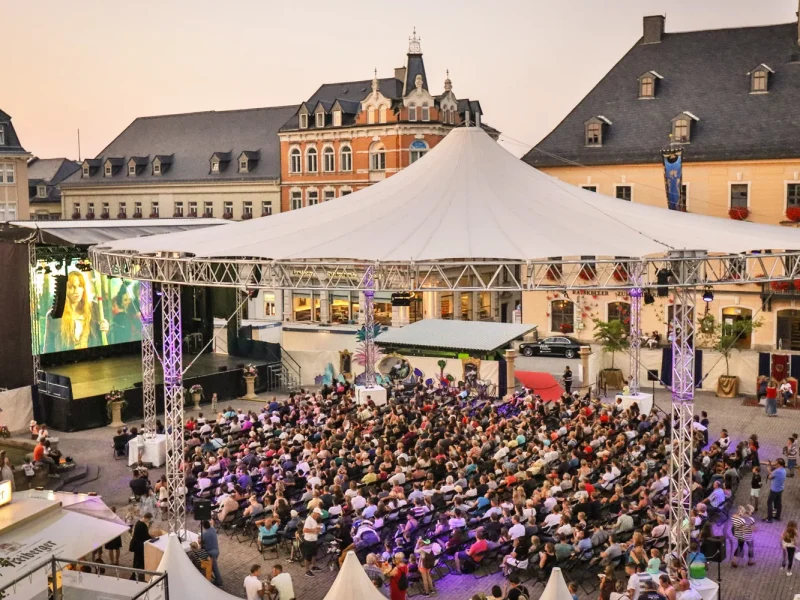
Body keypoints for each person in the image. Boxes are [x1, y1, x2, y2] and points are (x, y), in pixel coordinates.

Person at [43, 270, 109, 352]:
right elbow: (48, 346)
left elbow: (101, 340)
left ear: (83, 288)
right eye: (72, 287)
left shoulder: (95, 308)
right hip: (67, 362)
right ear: (65, 290)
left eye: (80, 286)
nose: (76, 291)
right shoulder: (54, 315)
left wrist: (105, 329)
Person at [128, 512, 152, 580]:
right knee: (139, 561)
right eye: (149, 519)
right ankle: (137, 575)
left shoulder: (139, 522)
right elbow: (145, 536)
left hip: (136, 544)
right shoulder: (143, 525)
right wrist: (152, 538)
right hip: (139, 546)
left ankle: (135, 575)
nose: (148, 521)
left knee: (136, 560)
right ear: (147, 518)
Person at [201, 520, 223, 587]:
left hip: (211, 554)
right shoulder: (213, 529)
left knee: (215, 568)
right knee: (213, 567)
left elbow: (201, 543)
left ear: (203, 526)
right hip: (216, 551)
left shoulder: (204, 534)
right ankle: (216, 580)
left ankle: (219, 582)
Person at [302, 508, 323, 577]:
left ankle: (314, 566)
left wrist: (318, 529)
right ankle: (307, 570)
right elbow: (305, 530)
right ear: (315, 513)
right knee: (308, 556)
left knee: (314, 554)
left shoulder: (313, 519)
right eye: (318, 514)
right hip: (309, 540)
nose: (319, 516)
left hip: (313, 540)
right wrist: (314, 530)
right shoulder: (309, 520)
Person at [765, 458, 786, 523]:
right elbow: (775, 471)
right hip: (780, 489)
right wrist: (771, 465)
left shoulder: (777, 471)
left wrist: (768, 469)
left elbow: (770, 477)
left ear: (779, 464)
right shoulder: (783, 470)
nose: (775, 464)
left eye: (776, 463)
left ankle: (769, 518)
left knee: (769, 502)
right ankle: (777, 517)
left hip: (774, 489)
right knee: (779, 503)